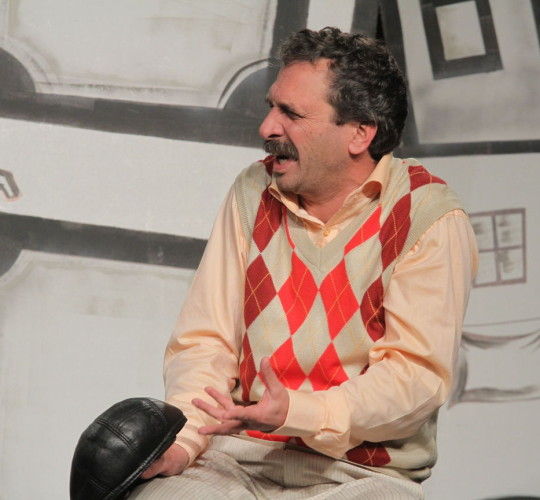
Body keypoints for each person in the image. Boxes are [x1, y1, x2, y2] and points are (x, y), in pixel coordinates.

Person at [130, 27, 477, 499]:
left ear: (360, 133)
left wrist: (297, 411)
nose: (267, 128)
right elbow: (206, 341)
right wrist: (184, 441)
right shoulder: (252, 191)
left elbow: (414, 379)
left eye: (291, 114)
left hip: (362, 476)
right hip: (234, 457)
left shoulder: (427, 215)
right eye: (271, 107)